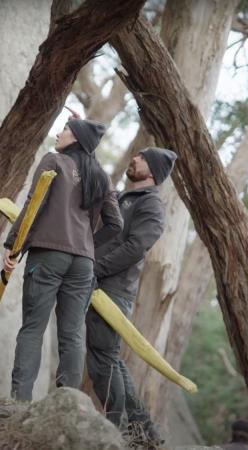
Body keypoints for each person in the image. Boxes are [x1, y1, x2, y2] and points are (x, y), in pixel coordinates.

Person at [4, 116, 122, 402]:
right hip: (83, 263)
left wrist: (13, 246)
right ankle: (68, 405)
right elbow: (115, 224)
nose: (58, 133)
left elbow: (34, 204)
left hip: (48, 255)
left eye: (66, 130)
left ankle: (20, 402)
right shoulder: (100, 176)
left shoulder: (53, 161)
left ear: (77, 139)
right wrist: (86, 245)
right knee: (72, 335)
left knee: (33, 327)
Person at [85, 146, 178, 442]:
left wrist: (96, 269)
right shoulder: (129, 198)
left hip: (112, 289)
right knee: (109, 357)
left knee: (103, 361)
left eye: (141, 157)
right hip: (100, 284)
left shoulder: (151, 205)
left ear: (152, 171)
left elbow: (136, 247)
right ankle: (144, 433)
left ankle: (118, 432)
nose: (133, 158)